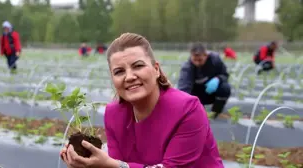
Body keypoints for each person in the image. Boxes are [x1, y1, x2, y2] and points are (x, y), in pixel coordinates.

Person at [60, 33, 224, 167]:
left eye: (138, 66)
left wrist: (112, 165)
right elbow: (117, 163)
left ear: (156, 69)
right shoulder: (113, 114)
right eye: (119, 71)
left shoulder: (187, 109)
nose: (130, 77)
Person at [177, 43, 231, 119]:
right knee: (198, 116)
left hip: (211, 93)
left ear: (206, 55)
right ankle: (198, 113)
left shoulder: (215, 60)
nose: (197, 63)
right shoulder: (187, 68)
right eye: (195, 60)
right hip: (196, 96)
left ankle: (215, 113)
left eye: (200, 60)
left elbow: (225, 74)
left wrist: (218, 79)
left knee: (225, 88)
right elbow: (184, 89)